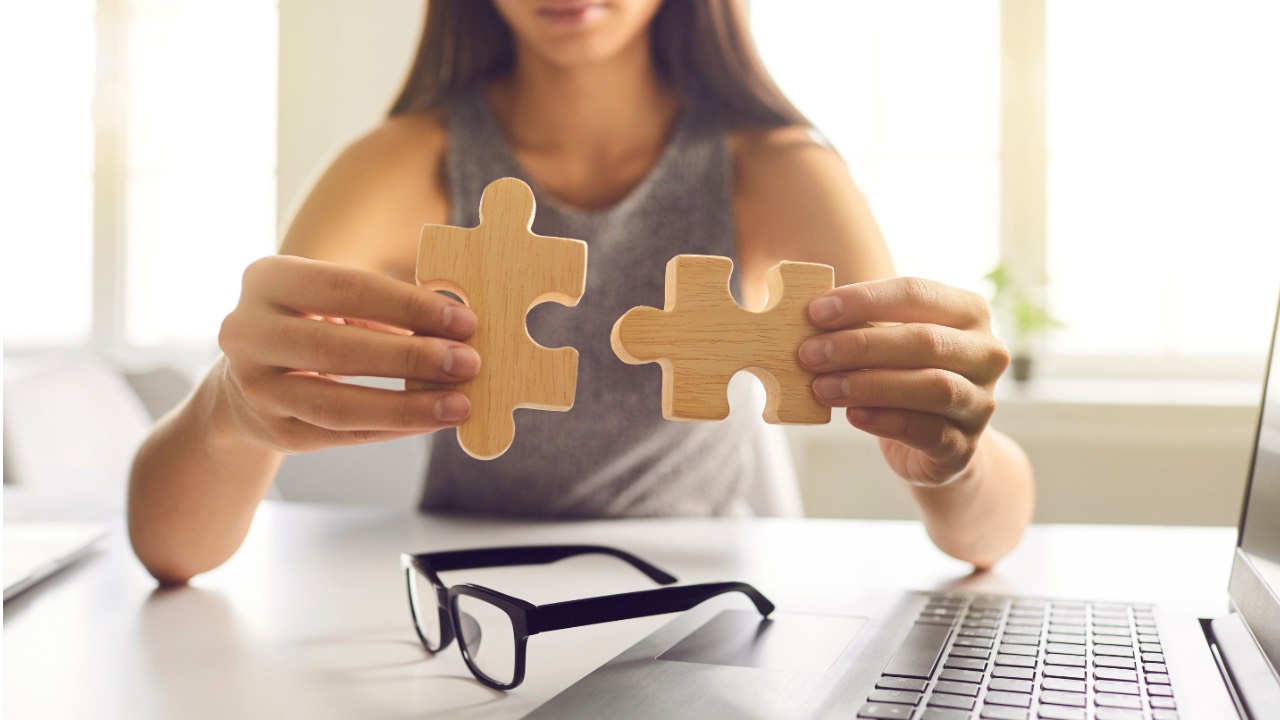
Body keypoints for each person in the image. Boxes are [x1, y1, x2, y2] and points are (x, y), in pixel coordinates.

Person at [128, 0, 1033, 585]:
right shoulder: (401, 163)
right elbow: (171, 550)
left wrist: (951, 456)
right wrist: (232, 409)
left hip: (696, 599)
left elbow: (984, 538)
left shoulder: (775, 167)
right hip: (466, 599)